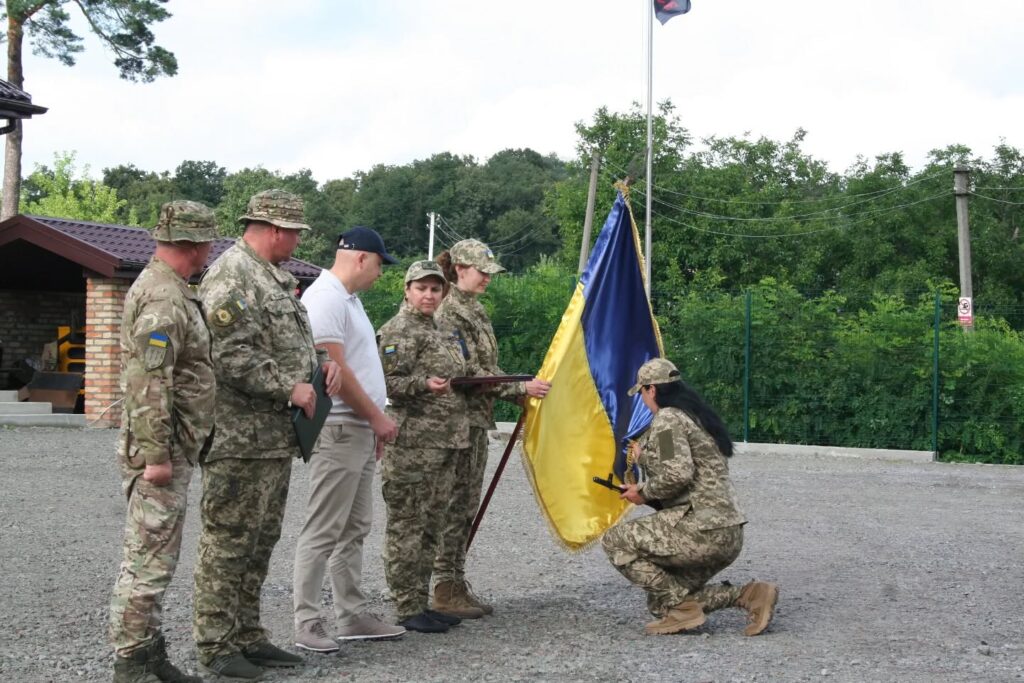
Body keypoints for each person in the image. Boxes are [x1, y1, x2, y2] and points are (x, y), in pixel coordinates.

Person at [192, 189, 341, 680]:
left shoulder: (273, 279)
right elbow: (229, 354)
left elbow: (287, 346)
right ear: (274, 229)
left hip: (273, 439)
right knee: (228, 543)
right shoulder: (232, 275)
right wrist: (289, 387)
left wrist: (320, 369)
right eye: (296, 232)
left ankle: (247, 636)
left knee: (260, 541)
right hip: (238, 440)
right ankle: (216, 646)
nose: (298, 241)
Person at [108, 200, 219, 683]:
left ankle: (150, 658)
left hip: (173, 443)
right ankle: (132, 665)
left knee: (157, 558)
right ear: (193, 244)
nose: (211, 249)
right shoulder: (163, 298)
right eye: (208, 241)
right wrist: (156, 456)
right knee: (147, 563)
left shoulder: (171, 289)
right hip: (162, 449)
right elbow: (149, 381)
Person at [601, 358, 778, 636]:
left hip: (703, 530)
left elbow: (678, 473)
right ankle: (749, 595)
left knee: (615, 541)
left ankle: (683, 609)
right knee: (662, 603)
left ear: (652, 390)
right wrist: (645, 479)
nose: (643, 399)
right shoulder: (695, 417)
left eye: (643, 392)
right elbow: (684, 475)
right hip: (727, 532)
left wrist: (643, 490)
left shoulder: (668, 420)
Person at [292, 227, 406, 652]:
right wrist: (376, 417)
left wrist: (371, 422)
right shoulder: (325, 298)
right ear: (361, 258)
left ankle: (351, 613)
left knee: (355, 526)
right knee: (323, 527)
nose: (380, 273)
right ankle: (306, 619)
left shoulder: (348, 300)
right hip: (339, 427)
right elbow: (334, 373)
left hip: (356, 428)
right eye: (379, 264)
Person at [432, 239, 550, 618]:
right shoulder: (448, 312)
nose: (487, 279)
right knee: (453, 506)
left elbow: (485, 366)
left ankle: (455, 580)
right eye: (482, 272)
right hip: (455, 424)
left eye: (489, 273)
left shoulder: (475, 310)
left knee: (467, 505)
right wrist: (518, 388)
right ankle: (443, 588)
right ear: (460, 269)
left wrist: (517, 390)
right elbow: (464, 373)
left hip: (475, 421)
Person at [376, 260, 471, 634]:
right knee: (408, 526)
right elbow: (383, 383)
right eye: (421, 288)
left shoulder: (444, 330)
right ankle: (405, 606)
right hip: (413, 444)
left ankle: (421, 601)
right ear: (407, 290)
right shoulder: (397, 330)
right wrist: (420, 384)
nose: (429, 295)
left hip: (445, 442)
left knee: (432, 524)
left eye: (435, 289)